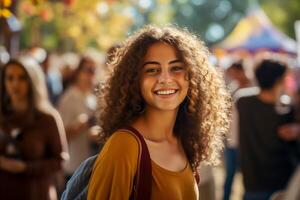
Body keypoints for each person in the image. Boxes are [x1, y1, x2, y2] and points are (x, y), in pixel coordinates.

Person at [87, 25, 231, 199]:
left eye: (176, 67)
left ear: (193, 77)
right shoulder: (124, 145)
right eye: (152, 70)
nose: (165, 79)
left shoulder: (184, 140)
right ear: (135, 80)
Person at [0, 57, 69, 200]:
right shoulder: (2, 116)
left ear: (32, 80)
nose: (15, 84)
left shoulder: (48, 118)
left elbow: (60, 160)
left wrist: (26, 167)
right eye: (10, 78)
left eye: (22, 78)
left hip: (35, 192)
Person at [237, 59, 300, 200]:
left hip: (254, 182)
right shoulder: (287, 108)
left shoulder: (243, 102)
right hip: (281, 183)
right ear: (279, 81)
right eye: (286, 77)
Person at [57, 56, 98, 181]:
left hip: (90, 164)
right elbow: (60, 135)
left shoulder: (91, 97)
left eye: (94, 70)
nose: (91, 74)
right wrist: (80, 125)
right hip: (73, 167)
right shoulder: (69, 98)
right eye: (87, 69)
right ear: (78, 72)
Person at [223, 61, 256, 200]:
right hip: (232, 140)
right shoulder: (233, 88)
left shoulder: (255, 88)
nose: (232, 76)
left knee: (249, 176)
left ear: (241, 71)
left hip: (247, 143)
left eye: (234, 73)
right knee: (230, 175)